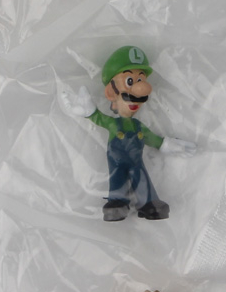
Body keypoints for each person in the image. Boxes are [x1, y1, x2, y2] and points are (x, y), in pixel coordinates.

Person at [61, 45, 196, 220]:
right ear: (111, 92)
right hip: (117, 159)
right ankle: (117, 204)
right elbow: (101, 119)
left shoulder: (139, 126)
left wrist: (166, 144)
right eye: (130, 81)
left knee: (141, 178)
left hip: (136, 161)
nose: (141, 90)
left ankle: (148, 203)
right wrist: (90, 112)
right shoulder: (114, 123)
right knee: (117, 179)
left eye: (141, 80)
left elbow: (152, 138)